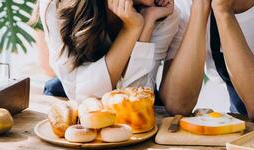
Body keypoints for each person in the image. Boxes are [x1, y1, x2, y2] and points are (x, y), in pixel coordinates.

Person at [36, 0, 178, 102]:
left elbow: (135, 99)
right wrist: (131, 30)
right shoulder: (55, 5)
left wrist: (146, 24)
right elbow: (83, 95)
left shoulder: (162, 13)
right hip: (72, 104)